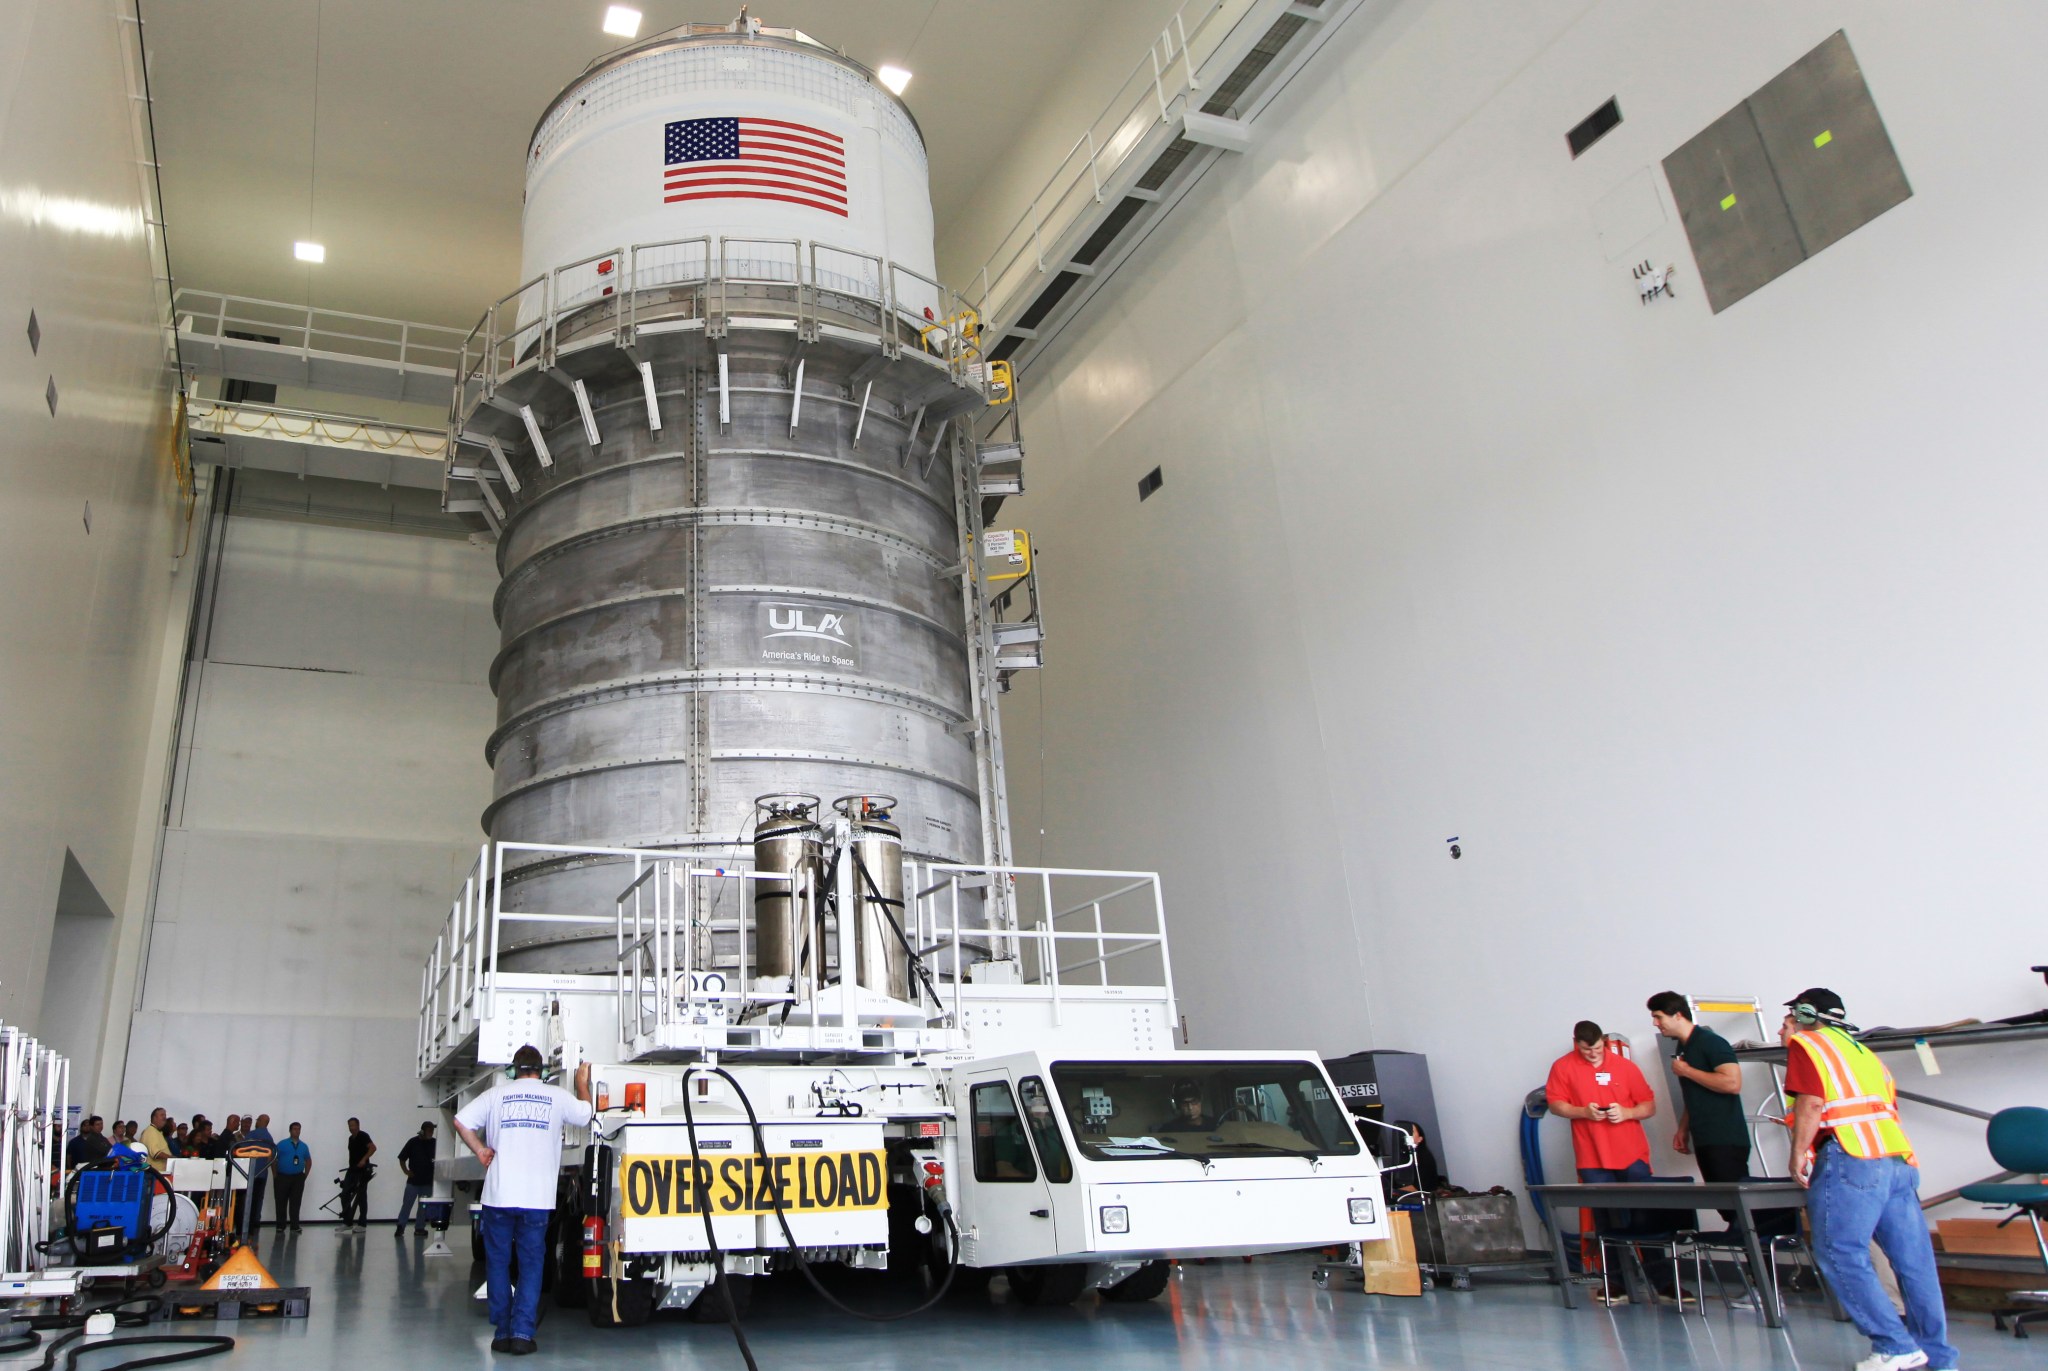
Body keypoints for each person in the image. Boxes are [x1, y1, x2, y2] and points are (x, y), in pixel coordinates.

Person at [1782, 988, 1958, 1371]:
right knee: (1914, 1262)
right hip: (1896, 1160)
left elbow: (1812, 1103)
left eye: (1790, 1017)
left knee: (1839, 1250)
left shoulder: (1807, 1044)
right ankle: (1937, 1355)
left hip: (1853, 1158)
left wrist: (1797, 1154)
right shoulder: (1861, 1051)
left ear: (1807, 1014)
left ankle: (1895, 1346)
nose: (1786, 1026)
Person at [454, 1045, 593, 1356]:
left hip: (499, 1196)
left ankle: (502, 1332)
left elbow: (461, 1122)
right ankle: (522, 1334)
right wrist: (582, 1082)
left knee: (499, 1264)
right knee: (531, 1265)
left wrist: (480, 1150)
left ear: (514, 1070)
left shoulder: (496, 1095)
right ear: (541, 1071)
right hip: (536, 1199)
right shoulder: (556, 1096)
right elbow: (586, 1115)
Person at [1545, 1020, 1670, 1304]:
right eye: (1587, 1049)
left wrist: (1625, 1113)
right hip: (1593, 1156)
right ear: (1577, 1043)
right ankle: (1615, 1282)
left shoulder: (1625, 1067)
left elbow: (1648, 1105)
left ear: (1604, 1041)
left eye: (1598, 1048)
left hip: (1632, 1154)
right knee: (1605, 1219)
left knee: (1646, 1216)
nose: (1593, 1054)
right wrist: (1583, 1112)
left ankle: (1662, 1282)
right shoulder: (1563, 1067)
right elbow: (1556, 1104)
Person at [1647, 991, 1751, 1217]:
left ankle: (1759, 1251)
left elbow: (1732, 1083)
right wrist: (1684, 1128)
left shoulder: (1711, 1042)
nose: (1656, 1023)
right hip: (1705, 1138)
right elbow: (1695, 1094)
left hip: (1725, 1138)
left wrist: (1688, 1071)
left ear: (1677, 1015)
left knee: (1737, 1210)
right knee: (1724, 1208)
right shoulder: (1682, 1047)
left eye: (1659, 1017)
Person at [395, 1123, 438, 1237]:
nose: (431, 1133)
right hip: (413, 1181)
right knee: (407, 1205)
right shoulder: (413, 1142)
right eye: (429, 1130)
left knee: (423, 1207)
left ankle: (419, 1228)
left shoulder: (434, 1143)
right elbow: (402, 1158)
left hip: (428, 1181)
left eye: (432, 1131)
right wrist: (406, 1171)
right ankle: (400, 1226)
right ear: (423, 1131)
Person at [339, 1118, 377, 1233]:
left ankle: (362, 1224)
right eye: (349, 1126)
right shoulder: (350, 1138)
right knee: (345, 1194)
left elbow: (373, 1148)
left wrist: (364, 1160)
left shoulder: (363, 1135)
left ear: (358, 1125)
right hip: (352, 1169)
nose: (351, 1128)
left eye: (353, 1125)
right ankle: (348, 1222)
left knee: (361, 1196)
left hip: (362, 1170)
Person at [273, 1123, 310, 1232]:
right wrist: (275, 1174)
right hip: (283, 1176)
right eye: (294, 1129)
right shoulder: (281, 1144)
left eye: (299, 1129)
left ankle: (295, 1225)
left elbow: (308, 1160)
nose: (297, 1131)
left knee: (296, 1202)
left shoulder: (303, 1146)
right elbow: (273, 1160)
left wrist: (305, 1175)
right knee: (281, 1201)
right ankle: (280, 1225)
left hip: (298, 1178)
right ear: (290, 1130)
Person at [242, 1114, 276, 1233]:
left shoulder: (252, 1135)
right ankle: (254, 1223)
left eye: (257, 1120)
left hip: (249, 1173)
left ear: (261, 1121)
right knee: (258, 1199)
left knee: (247, 1200)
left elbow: (241, 1149)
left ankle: (245, 1225)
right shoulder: (269, 1137)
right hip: (262, 1174)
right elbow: (271, 1157)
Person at [1153, 1082, 1218, 1133]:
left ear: (1200, 1101)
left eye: (1194, 1102)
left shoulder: (1217, 1126)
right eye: (1185, 1104)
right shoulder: (1169, 1129)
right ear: (1178, 1105)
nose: (1190, 1107)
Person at [139, 1108, 172, 1173]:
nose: (165, 1118)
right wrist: (172, 1158)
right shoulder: (151, 1131)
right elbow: (156, 1154)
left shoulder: (156, 1131)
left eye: (165, 1115)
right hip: (154, 1174)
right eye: (162, 1115)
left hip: (158, 1173)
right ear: (154, 1118)